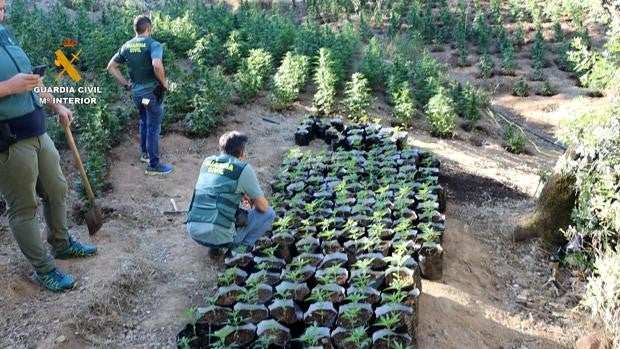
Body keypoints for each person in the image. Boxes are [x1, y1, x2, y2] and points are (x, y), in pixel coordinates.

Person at [0, 0, 97, 292]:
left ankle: (62, 243)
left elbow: (32, 80)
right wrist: (8, 88)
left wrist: (56, 105)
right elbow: (17, 84)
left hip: (37, 130)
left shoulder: (5, 33)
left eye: (3, 5)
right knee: (23, 207)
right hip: (9, 140)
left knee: (57, 188)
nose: (2, 8)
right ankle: (44, 269)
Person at [186, 131, 276, 256]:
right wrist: (251, 198)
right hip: (218, 235)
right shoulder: (243, 169)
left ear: (222, 149)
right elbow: (263, 207)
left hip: (194, 231)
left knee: (220, 203)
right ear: (241, 152)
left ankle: (215, 248)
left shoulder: (207, 162)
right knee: (269, 213)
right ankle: (239, 251)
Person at [106, 14, 173, 175]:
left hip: (137, 95)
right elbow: (157, 64)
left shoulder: (127, 46)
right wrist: (164, 83)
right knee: (153, 128)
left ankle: (145, 154)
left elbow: (111, 66)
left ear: (135, 29)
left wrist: (125, 84)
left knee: (144, 121)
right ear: (149, 28)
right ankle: (153, 165)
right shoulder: (153, 44)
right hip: (152, 94)